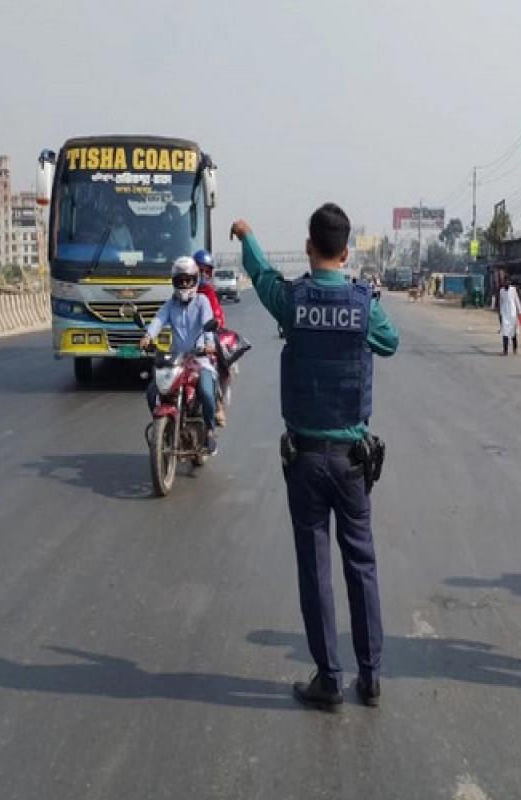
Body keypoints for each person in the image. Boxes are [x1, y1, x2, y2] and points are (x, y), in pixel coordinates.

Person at [231, 203, 398, 710]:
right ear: (346, 253)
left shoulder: (292, 300)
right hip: (351, 461)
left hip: (304, 459)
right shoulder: (363, 303)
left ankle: (329, 677)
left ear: (309, 246)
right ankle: (370, 677)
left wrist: (247, 235)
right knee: (362, 566)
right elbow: (390, 343)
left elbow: (260, 276)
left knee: (316, 569)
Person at [140, 256, 219, 455]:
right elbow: (158, 320)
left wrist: (209, 344)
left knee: (207, 393)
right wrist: (148, 336)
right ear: (174, 282)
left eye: (188, 280)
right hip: (178, 360)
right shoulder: (170, 304)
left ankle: (209, 431)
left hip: (200, 360)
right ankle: (166, 429)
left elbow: (208, 324)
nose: (184, 284)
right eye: (180, 280)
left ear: (195, 280)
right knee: (152, 391)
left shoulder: (202, 302)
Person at [193, 248, 229, 426]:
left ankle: (218, 403)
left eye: (207, 271)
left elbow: (218, 319)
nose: (204, 274)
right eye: (200, 270)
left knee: (222, 363)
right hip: (184, 345)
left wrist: (212, 335)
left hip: (204, 342)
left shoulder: (208, 292)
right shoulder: (178, 293)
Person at [499, 280, 521, 355]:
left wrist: (520, 312)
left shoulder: (513, 290)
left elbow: (517, 301)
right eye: (505, 283)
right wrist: (500, 313)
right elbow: (501, 302)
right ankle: (505, 350)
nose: (507, 284)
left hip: (513, 314)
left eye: (508, 283)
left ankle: (515, 348)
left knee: (513, 333)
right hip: (505, 314)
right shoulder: (501, 291)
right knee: (505, 332)